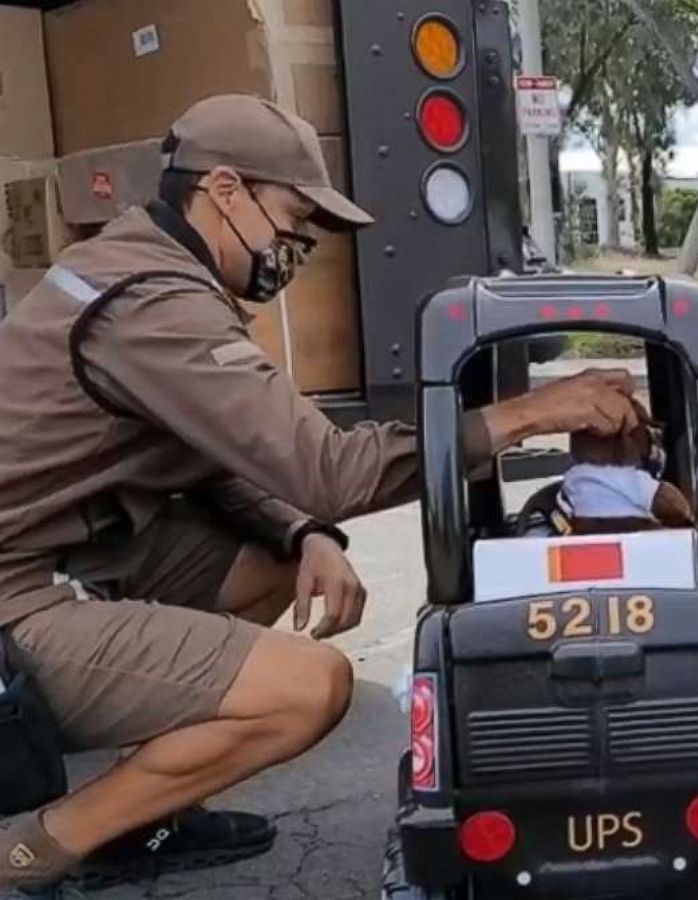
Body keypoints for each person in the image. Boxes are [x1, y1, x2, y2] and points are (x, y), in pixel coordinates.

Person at [0, 94, 641, 898]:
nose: (297, 243)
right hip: (15, 596)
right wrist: (530, 412)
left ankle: (144, 803)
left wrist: (306, 534)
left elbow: (219, 451)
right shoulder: (154, 304)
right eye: (293, 215)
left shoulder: (143, 264)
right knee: (310, 688)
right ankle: (44, 850)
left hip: (69, 545)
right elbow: (330, 469)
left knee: (278, 567)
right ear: (225, 191)